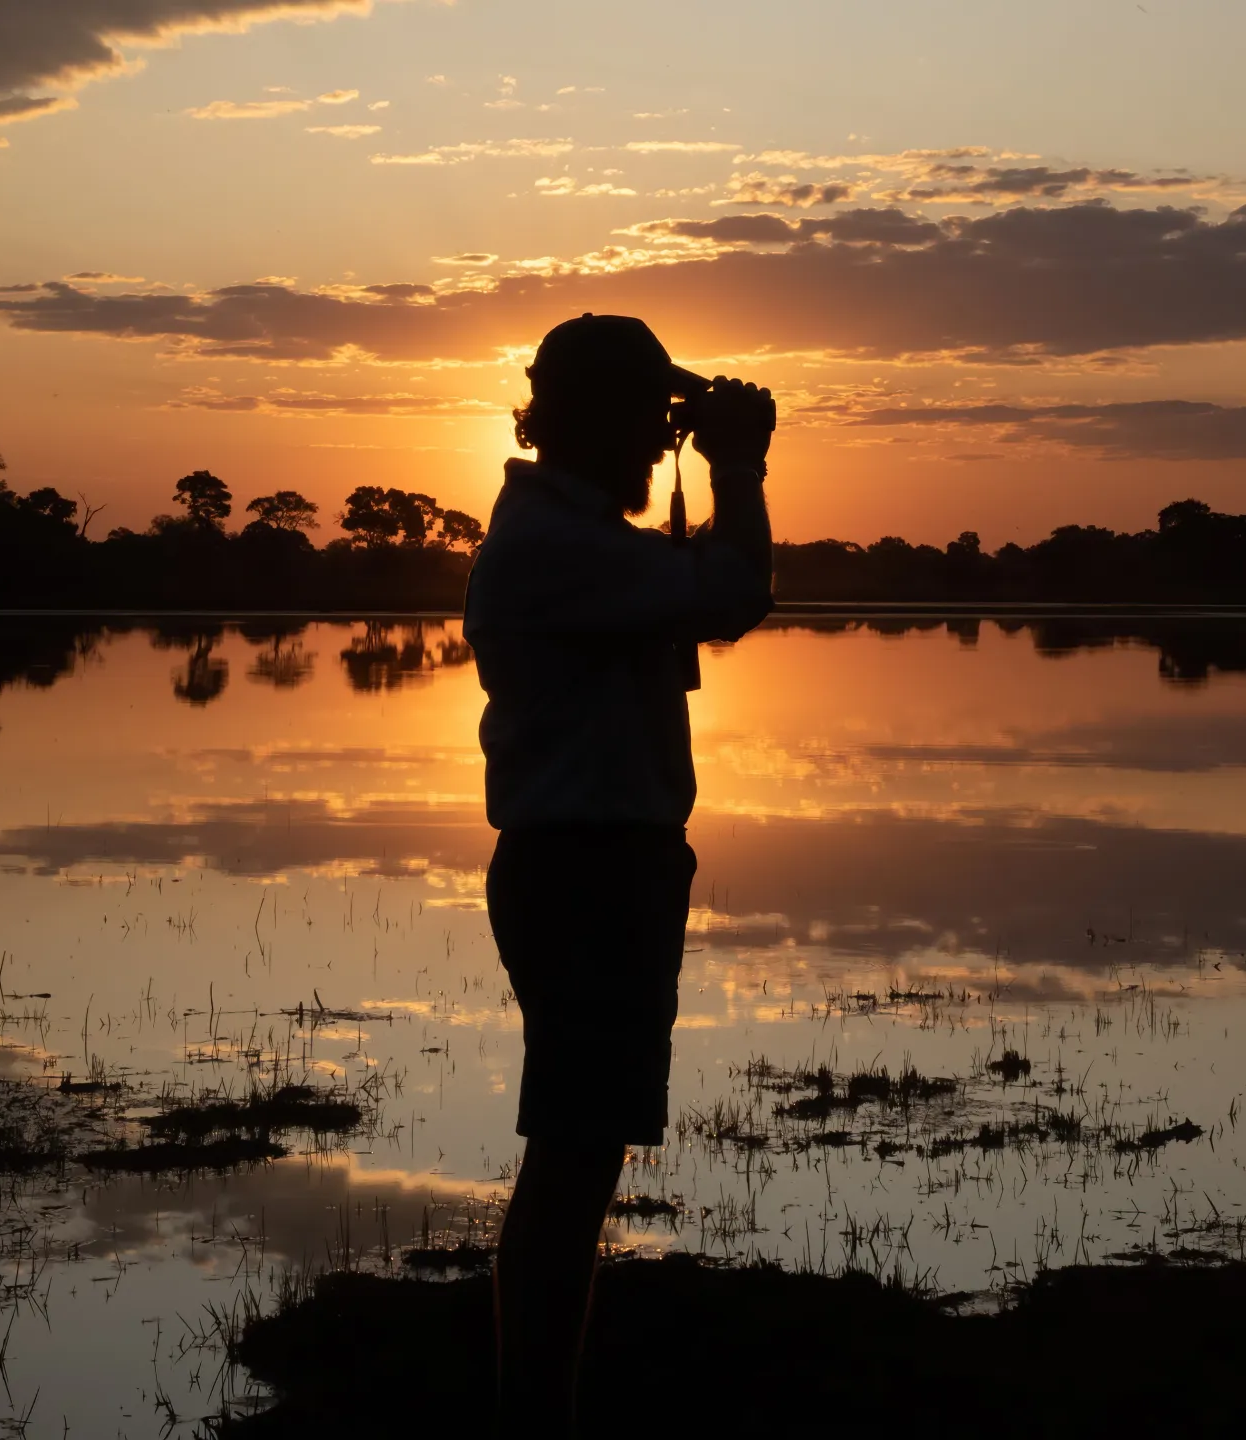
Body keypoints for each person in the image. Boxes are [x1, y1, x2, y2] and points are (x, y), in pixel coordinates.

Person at [463, 313, 774, 1436]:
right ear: (589, 422)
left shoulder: (575, 538)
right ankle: (533, 1412)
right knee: (574, 1160)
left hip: (602, 861)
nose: (660, 448)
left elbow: (702, 585)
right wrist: (738, 463)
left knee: (579, 1157)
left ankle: (537, 1405)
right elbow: (736, 589)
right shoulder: (557, 547)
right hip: (585, 867)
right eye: (649, 424)